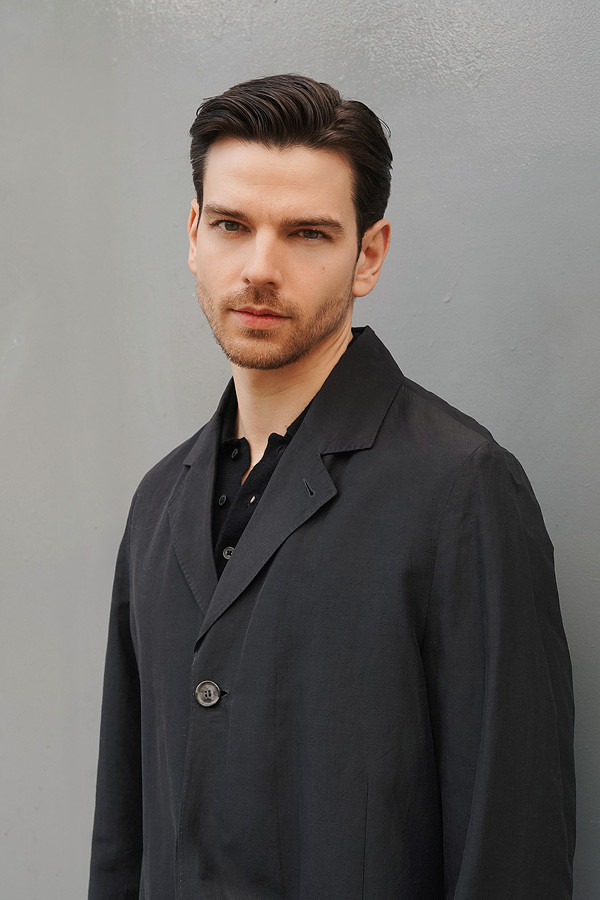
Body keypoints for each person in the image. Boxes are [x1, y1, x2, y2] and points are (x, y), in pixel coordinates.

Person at [88, 74, 575, 899]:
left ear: (368, 255)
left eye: (307, 233)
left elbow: (512, 848)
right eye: (233, 226)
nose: (260, 268)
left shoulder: (461, 488)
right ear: (195, 233)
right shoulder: (159, 501)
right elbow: (124, 837)